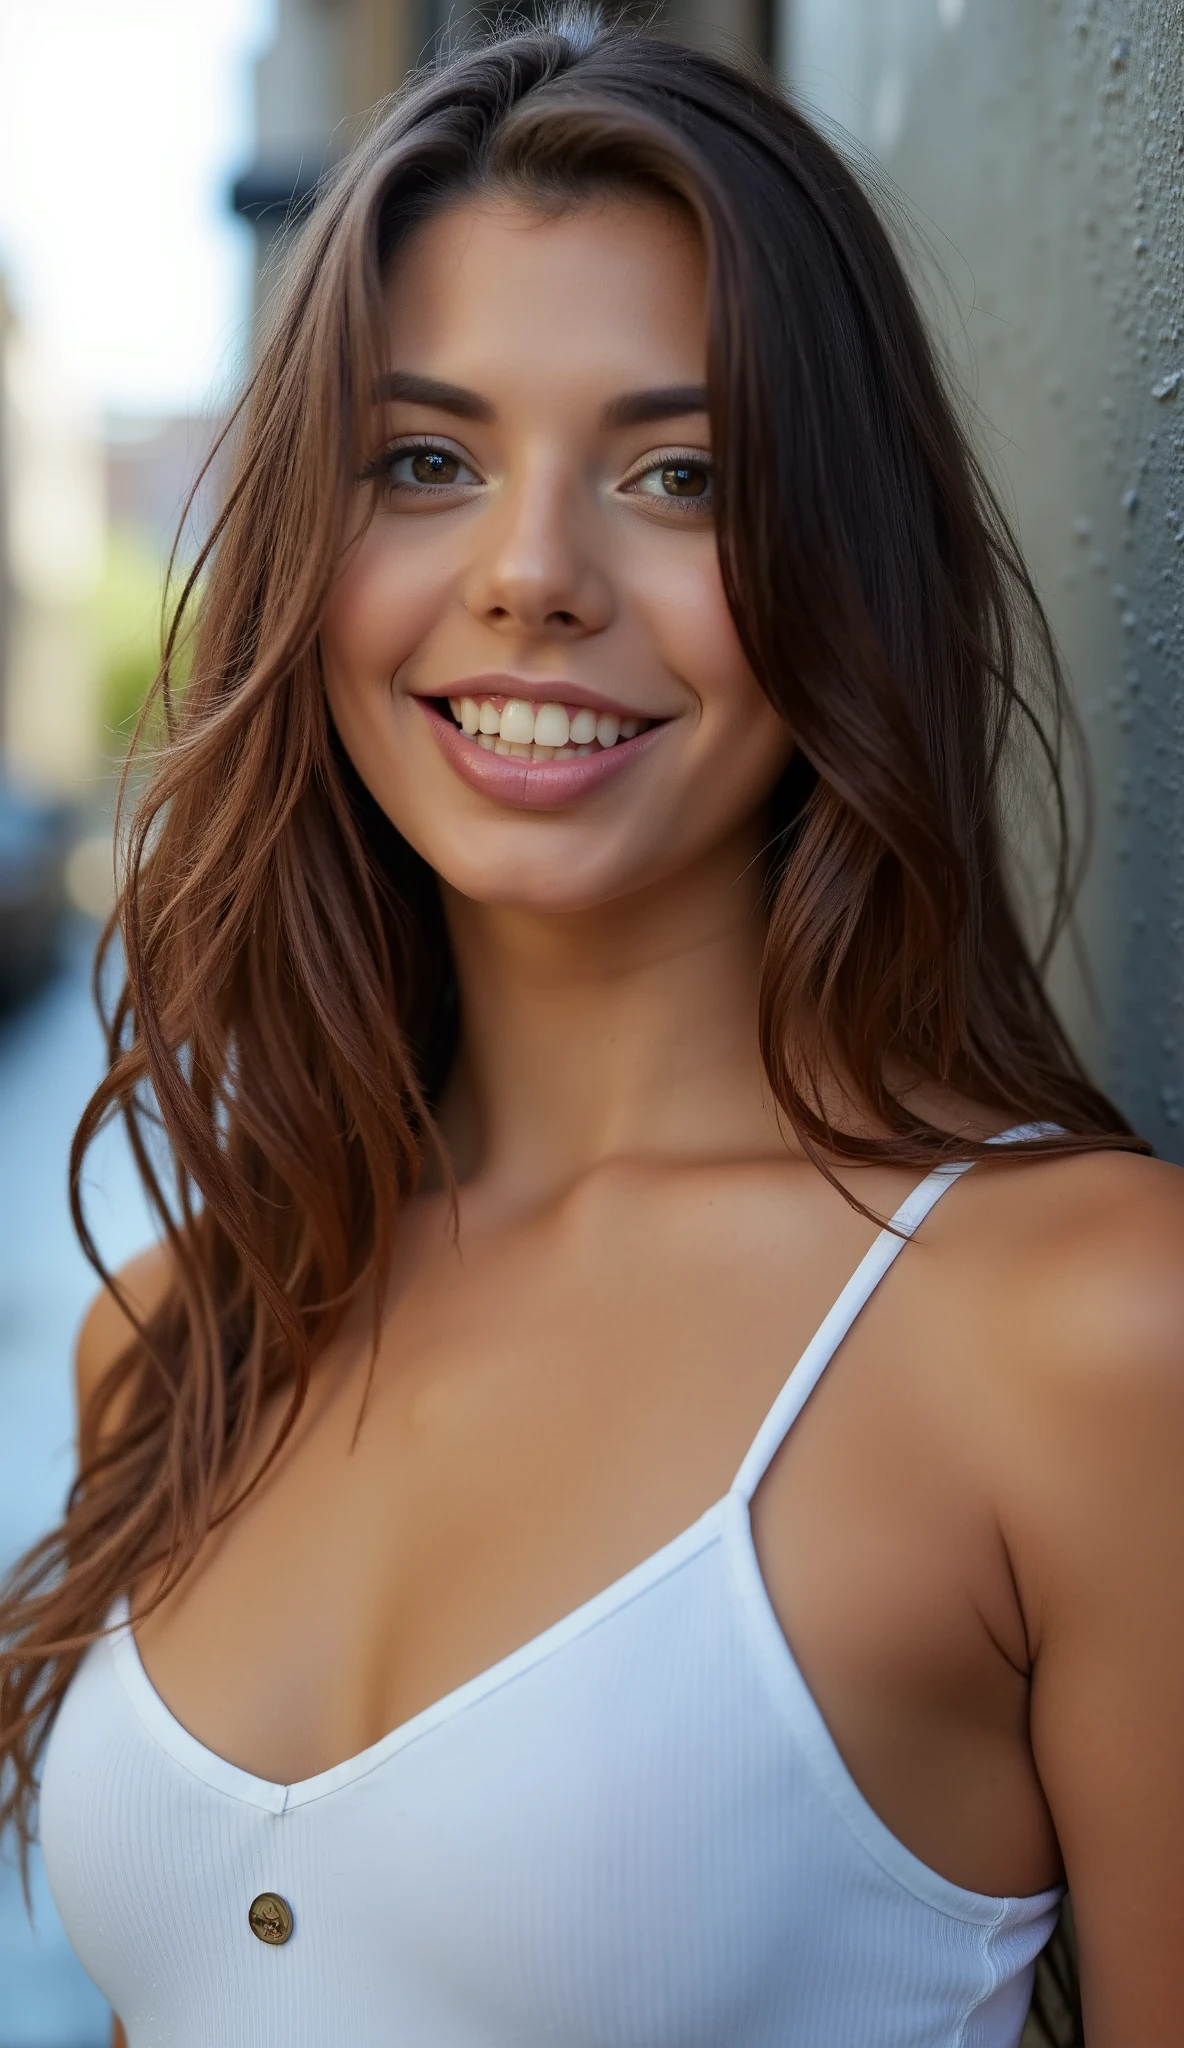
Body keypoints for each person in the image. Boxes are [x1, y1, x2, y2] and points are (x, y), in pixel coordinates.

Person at [2, 14, 1181, 2046]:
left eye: (679, 472)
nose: (531, 574)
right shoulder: (192, 1329)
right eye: (427, 461)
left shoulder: (1079, 1329)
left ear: (838, 559)